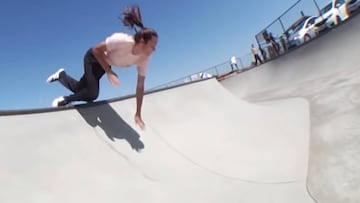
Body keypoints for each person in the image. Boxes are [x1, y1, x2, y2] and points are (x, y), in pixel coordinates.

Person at [46, 5, 158, 130]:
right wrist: (109, 72)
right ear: (142, 41)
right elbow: (96, 50)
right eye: (152, 46)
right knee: (92, 93)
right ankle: (65, 100)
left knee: (80, 88)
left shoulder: (144, 60)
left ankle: (62, 76)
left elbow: (140, 86)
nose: (154, 50)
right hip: (93, 58)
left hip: (104, 64)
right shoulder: (122, 40)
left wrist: (138, 113)